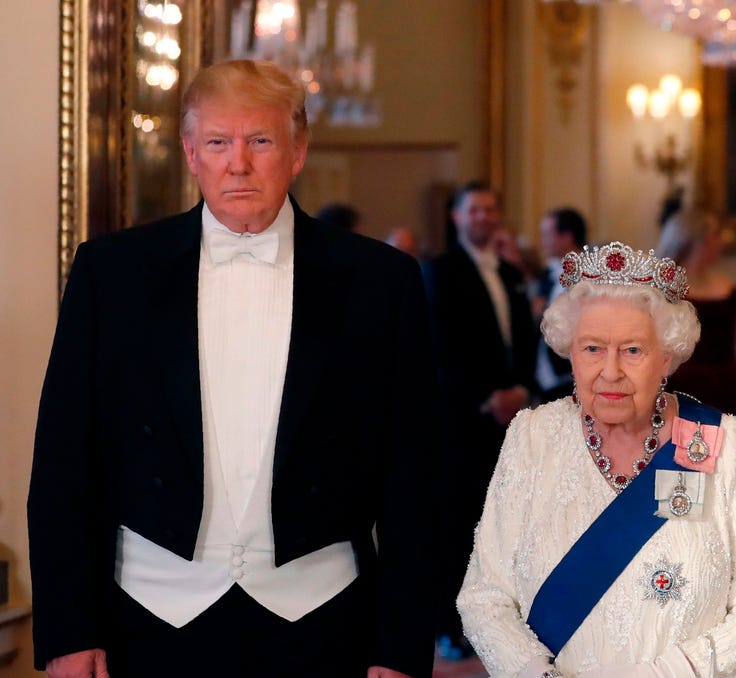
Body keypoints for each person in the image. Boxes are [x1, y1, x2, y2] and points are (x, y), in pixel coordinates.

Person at [27, 60, 433, 678]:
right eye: (218, 142)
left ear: (298, 152)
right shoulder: (112, 275)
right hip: (147, 618)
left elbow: (415, 478)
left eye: (260, 141)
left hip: (323, 620)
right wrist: (68, 632)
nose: (237, 163)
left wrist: (399, 648)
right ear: (191, 153)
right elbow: (63, 466)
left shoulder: (380, 282)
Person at [457, 241, 736, 676]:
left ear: (666, 357)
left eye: (633, 350)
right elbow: (485, 597)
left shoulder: (717, 442)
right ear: (569, 352)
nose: (610, 371)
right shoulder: (532, 437)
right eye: (592, 348)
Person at [424, 180, 537, 659]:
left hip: (509, 419)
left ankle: (500, 624)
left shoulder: (511, 272)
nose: (484, 218)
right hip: (463, 419)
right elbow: (439, 347)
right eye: (475, 210)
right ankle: (450, 626)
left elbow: (526, 340)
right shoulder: (440, 271)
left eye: (491, 209)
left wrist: (521, 390)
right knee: (457, 524)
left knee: (504, 525)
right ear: (457, 216)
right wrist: (486, 397)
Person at [655, 210, 736, 491]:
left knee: (732, 483)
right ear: (695, 239)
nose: (720, 243)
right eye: (714, 236)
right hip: (684, 393)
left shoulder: (727, 287)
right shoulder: (664, 291)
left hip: (731, 394)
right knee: (684, 484)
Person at [534, 206, 588, 402]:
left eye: (547, 235)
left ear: (567, 236)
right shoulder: (548, 275)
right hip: (546, 379)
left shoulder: (589, 277)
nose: (542, 242)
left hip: (572, 377)